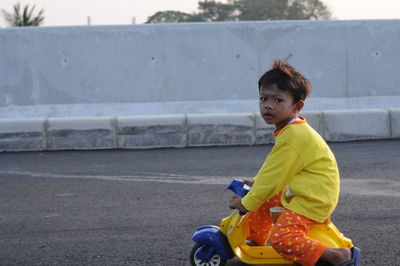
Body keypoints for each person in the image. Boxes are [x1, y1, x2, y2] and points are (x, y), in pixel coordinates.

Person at [228, 59, 360, 266]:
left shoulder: (293, 136)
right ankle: (255, 243)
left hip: (312, 198)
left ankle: (338, 256)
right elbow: (275, 173)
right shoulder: (291, 130)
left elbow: (272, 177)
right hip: (308, 189)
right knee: (264, 199)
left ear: (297, 106)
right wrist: (256, 185)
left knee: (282, 239)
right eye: (263, 98)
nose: (268, 105)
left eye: (278, 100)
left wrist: (246, 203)